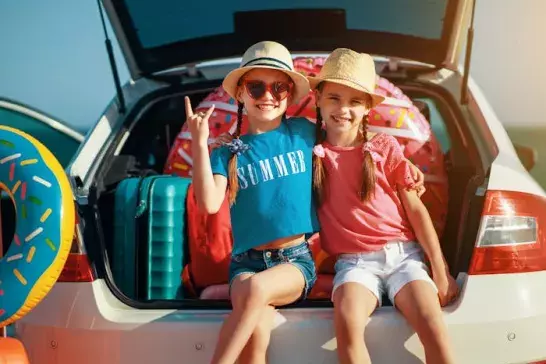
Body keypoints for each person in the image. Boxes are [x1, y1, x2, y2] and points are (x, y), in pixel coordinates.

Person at [310, 48, 459, 364]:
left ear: (366, 109)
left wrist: (440, 270)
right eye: (334, 98)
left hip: (404, 257)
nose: (343, 109)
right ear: (318, 99)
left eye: (354, 102)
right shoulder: (310, 155)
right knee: (348, 324)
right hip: (354, 264)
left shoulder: (383, 147)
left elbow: (416, 211)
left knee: (432, 324)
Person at [187, 40, 319, 364]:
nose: (268, 96)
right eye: (256, 87)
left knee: (257, 292)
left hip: (295, 261)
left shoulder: (304, 132)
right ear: (241, 94)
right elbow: (209, 204)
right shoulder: (227, 152)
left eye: (278, 87)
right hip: (245, 265)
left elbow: (349, 147)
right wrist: (199, 144)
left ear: (289, 93)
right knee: (256, 333)